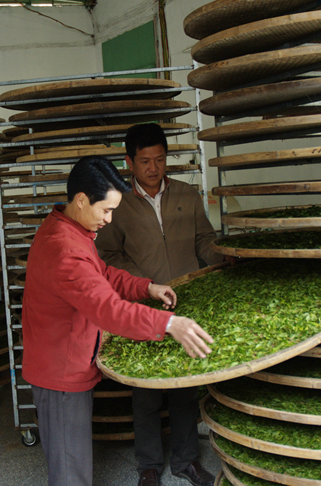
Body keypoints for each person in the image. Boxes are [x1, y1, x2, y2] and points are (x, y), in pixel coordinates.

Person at [22, 155, 215, 486]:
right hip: (60, 372)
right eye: (106, 210)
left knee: (72, 463)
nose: (109, 220)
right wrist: (170, 324)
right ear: (82, 200)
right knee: (70, 473)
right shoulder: (65, 249)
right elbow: (109, 310)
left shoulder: (68, 227)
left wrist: (145, 287)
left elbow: (102, 274)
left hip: (64, 360)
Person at [95, 123, 224, 486]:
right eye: (145, 161)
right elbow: (108, 256)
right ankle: (148, 466)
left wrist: (224, 257)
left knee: (185, 387)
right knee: (146, 392)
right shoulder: (117, 205)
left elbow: (204, 240)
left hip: (185, 305)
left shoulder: (186, 194)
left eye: (160, 159)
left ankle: (186, 462)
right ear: (129, 163)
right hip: (142, 307)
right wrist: (146, 285)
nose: (154, 168)